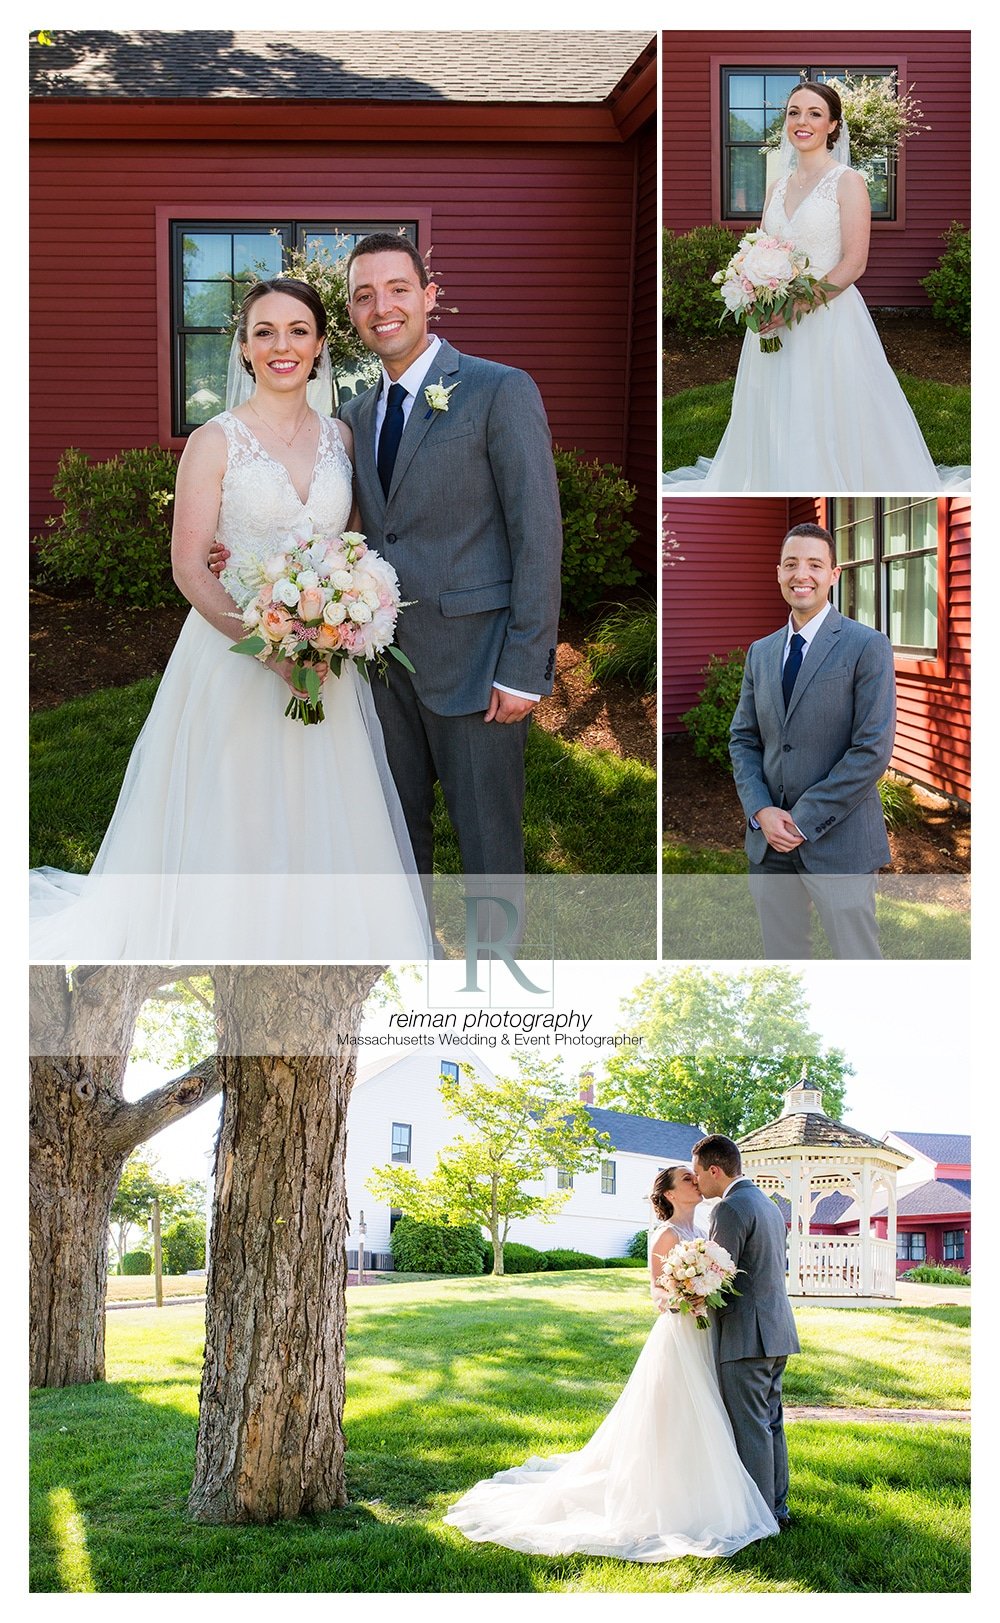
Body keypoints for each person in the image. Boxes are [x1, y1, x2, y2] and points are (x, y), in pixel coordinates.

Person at [29, 278, 430, 959]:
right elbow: (189, 567)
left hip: (326, 664)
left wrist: (345, 617)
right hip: (234, 658)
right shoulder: (216, 441)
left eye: (298, 330)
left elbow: (351, 543)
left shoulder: (342, 437)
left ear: (320, 344)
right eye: (265, 331)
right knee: (239, 811)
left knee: (325, 813)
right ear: (244, 349)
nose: (283, 346)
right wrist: (272, 651)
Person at [339, 234, 563, 882]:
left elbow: (538, 531)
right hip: (383, 672)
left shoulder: (498, 390)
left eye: (398, 289)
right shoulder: (353, 414)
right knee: (396, 840)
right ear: (354, 313)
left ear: (430, 297)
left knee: (489, 849)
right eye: (365, 295)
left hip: (478, 670)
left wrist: (525, 667)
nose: (382, 306)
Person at [443, 1165, 779, 1562]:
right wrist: (686, 1294)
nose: (694, 1181)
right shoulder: (666, 1233)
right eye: (686, 1179)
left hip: (709, 1335)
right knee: (677, 1414)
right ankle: (670, 1496)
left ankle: (717, 1488)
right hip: (679, 1335)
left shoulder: (704, 1233)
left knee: (713, 1410)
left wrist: (707, 1287)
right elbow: (657, 1291)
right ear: (670, 1194)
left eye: (694, 1176)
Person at [662, 80, 970, 492]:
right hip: (772, 320)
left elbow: (854, 262)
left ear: (833, 126)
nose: (801, 121)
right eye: (793, 112)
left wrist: (793, 307)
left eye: (814, 113)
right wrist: (755, 292)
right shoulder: (776, 186)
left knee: (824, 408)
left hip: (828, 317)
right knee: (771, 406)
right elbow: (762, 248)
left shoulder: (848, 182)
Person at [729, 522, 896, 959]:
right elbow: (743, 739)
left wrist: (802, 820)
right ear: (778, 573)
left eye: (814, 564)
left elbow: (872, 749)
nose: (801, 574)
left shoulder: (867, 646)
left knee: (856, 958)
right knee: (783, 965)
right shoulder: (760, 652)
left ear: (834, 575)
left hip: (840, 843)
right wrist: (761, 810)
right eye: (791, 564)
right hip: (769, 844)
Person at [692, 1135, 801, 1529]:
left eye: (698, 1173)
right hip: (777, 1330)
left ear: (715, 1170)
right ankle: (778, 1508)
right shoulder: (768, 1205)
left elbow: (718, 1276)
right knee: (771, 1420)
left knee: (752, 1425)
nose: (696, 1180)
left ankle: (760, 1516)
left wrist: (688, 1289)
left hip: (746, 1335)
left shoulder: (730, 1208)